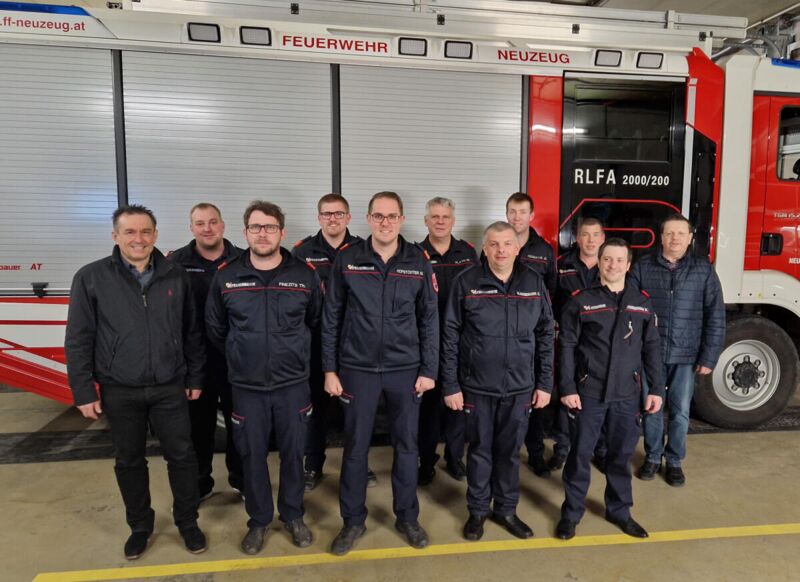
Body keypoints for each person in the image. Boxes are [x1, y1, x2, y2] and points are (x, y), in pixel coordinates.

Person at [65, 204, 207, 560]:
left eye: (145, 231)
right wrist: (83, 389)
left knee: (182, 456)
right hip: (119, 388)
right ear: (115, 236)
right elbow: (79, 338)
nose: (138, 239)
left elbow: (191, 331)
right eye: (130, 232)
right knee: (129, 461)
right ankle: (140, 526)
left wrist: (195, 375)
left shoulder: (176, 275)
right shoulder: (91, 277)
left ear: (156, 235)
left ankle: (188, 522)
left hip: (169, 386)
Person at [322, 191, 439, 555]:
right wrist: (329, 369)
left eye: (391, 216)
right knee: (355, 448)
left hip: (405, 370)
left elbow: (429, 318)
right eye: (378, 216)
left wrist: (429, 369)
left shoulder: (418, 261)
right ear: (368, 219)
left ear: (401, 220)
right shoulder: (348, 259)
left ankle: (407, 517)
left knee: (406, 446)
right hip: (357, 369)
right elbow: (331, 317)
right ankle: (352, 521)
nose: (385, 222)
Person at [206, 200, 323, 555]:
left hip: (293, 385)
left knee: (293, 454)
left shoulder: (305, 275)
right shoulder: (226, 276)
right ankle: (258, 521)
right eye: (255, 227)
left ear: (281, 232)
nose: (262, 233)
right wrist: (244, 355)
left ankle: (293, 515)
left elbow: (315, 322)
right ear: (245, 232)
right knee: (252, 457)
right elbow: (216, 328)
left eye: (269, 227)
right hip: (247, 387)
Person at [441, 221, 554, 541]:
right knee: (480, 451)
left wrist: (545, 383)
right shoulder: (466, 282)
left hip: (520, 388)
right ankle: (477, 512)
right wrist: (450, 385)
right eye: (494, 244)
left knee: (509, 453)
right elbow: (449, 335)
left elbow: (546, 333)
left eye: (506, 244)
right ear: (485, 248)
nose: (500, 250)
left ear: (517, 248)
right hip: (477, 386)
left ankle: (506, 510)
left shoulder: (533, 282)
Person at [556, 238, 664, 540]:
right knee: (579, 456)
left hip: (626, 395)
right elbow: (566, 346)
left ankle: (619, 511)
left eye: (619, 260)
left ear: (628, 265)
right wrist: (567, 387)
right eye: (607, 259)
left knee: (620, 456)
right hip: (588, 393)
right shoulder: (581, 301)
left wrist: (657, 388)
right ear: (599, 263)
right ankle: (571, 514)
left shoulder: (641, 302)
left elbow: (651, 347)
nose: (612, 265)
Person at [632, 213, 725, 487]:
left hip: (686, 355)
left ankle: (674, 461)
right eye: (669, 233)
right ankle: (652, 457)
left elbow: (715, 315)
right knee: (651, 408)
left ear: (690, 238)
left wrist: (709, 355)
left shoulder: (703, 270)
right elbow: (630, 311)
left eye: (681, 234)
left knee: (681, 411)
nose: (675, 239)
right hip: (650, 354)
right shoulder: (642, 267)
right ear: (661, 237)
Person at [291, 194, 377, 491]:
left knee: (357, 412)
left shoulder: (364, 250)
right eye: (327, 214)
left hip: (356, 343)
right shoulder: (303, 252)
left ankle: (359, 464)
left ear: (348, 217)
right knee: (315, 408)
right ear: (319, 218)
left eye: (338, 214)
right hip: (316, 343)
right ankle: (313, 464)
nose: (333, 219)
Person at [168, 202, 244, 500]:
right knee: (198, 429)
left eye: (213, 222)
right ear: (191, 228)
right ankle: (200, 485)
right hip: (195, 362)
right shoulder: (174, 263)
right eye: (200, 223)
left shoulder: (243, 259)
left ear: (222, 225)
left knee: (241, 425)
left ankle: (241, 480)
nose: (207, 228)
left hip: (235, 358)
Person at [417, 196, 477, 486]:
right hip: (427, 342)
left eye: (445, 217)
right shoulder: (415, 254)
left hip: (462, 342)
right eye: (435, 216)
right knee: (427, 409)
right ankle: (426, 460)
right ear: (426, 221)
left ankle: (455, 458)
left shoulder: (468, 252)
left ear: (453, 221)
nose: (440, 221)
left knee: (457, 406)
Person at [504, 192, 557, 477]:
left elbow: (551, 291)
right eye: (512, 211)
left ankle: (535, 453)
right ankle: (504, 453)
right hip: (501, 334)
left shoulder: (544, 250)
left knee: (536, 395)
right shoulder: (498, 243)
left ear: (531, 215)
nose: (517, 217)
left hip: (532, 336)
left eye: (522, 212)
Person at [547, 217, 605, 472]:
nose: (590, 240)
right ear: (577, 238)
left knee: (600, 396)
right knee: (566, 391)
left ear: (602, 238)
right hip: (569, 341)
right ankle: (562, 449)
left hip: (601, 343)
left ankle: (600, 450)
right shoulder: (562, 265)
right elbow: (550, 300)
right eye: (585, 234)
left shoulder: (611, 264)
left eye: (595, 235)